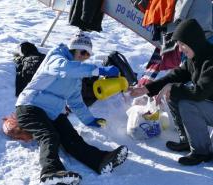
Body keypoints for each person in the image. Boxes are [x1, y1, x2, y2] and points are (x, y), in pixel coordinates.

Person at [15, 31, 128, 185]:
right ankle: (51, 171)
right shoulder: (56, 57)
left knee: (72, 138)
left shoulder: (76, 78)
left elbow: (76, 102)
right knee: (49, 135)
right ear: (72, 49)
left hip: (53, 112)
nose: (84, 56)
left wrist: (90, 120)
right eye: (82, 52)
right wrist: (98, 70)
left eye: (87, 55)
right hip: (30, 106)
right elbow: (64, 68)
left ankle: (100, 160)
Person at [130, 19, 213, 166]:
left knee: (187, 104)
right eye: (178, 45)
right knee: (173, 95)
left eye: (182, 44)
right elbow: (175, 76)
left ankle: (202, 152)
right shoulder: (195, 56)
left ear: (194, 42)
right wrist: (147, 88)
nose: (179, 49)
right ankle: (186, 140)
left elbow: (200, 93)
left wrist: (173, 87)